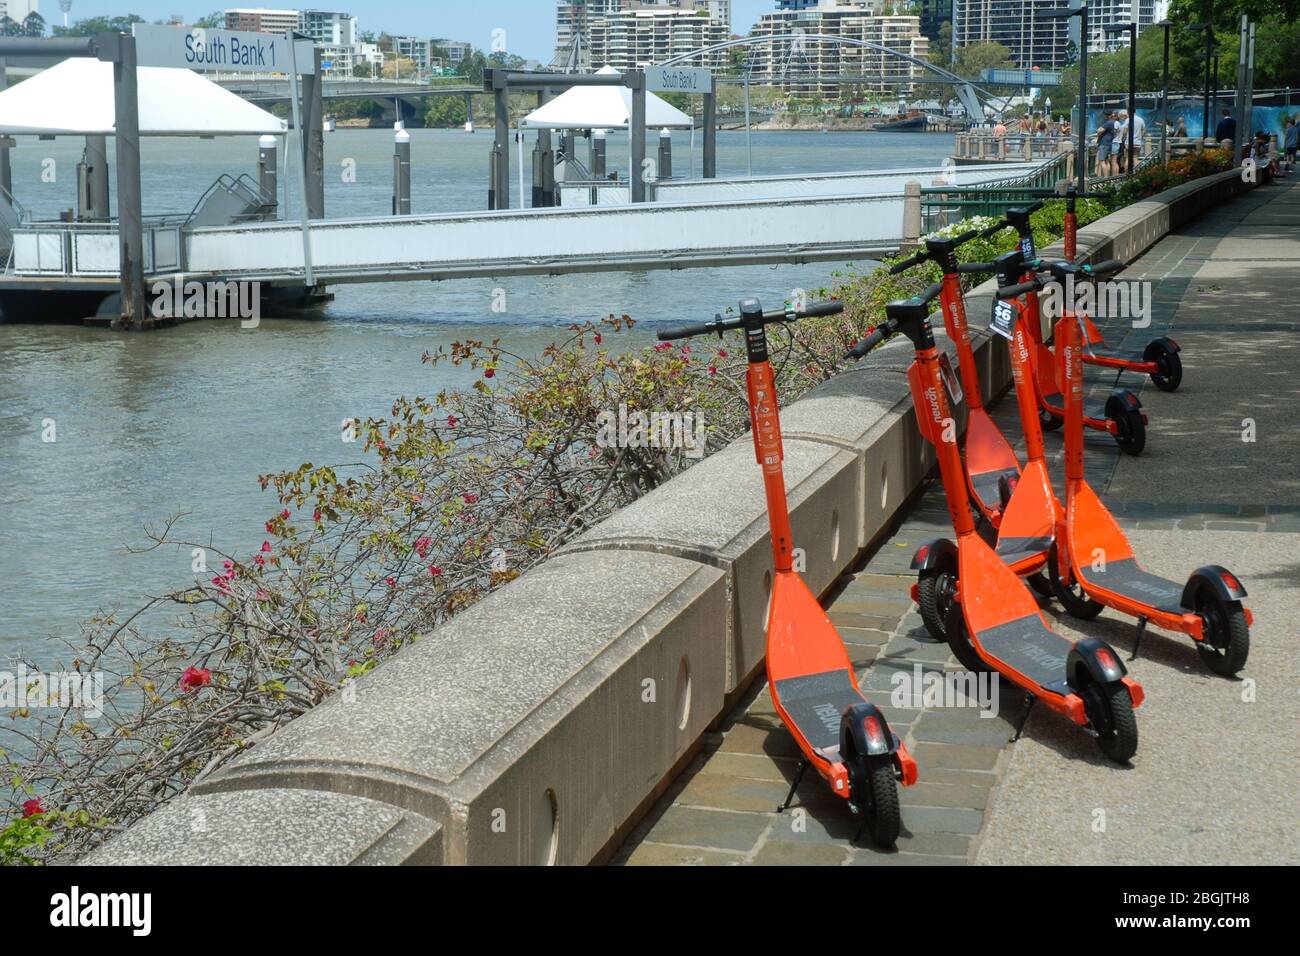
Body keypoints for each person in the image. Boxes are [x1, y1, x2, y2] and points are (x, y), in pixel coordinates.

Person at [1096, 111, 1116, 177]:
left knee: (1102, 161)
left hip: (1104, 144)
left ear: (1108, 116)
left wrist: (1098, 132)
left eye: (1105, 115)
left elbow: (1099, 131)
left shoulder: (1108, 123)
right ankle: (1107, 177)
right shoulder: (1112, 123)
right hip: (1109, 144)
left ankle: (1105, 177)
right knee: (1106, 161)